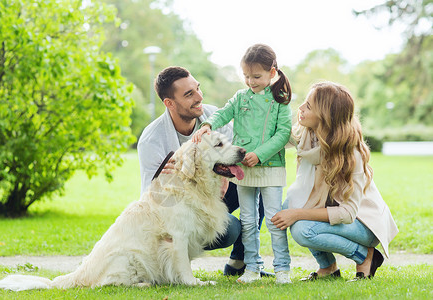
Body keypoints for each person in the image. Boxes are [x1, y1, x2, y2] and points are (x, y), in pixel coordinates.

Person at [137, 66, 270, 277]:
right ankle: (179, 261)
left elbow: (232, 154)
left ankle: (239, 262)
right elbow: (153, 199)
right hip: (182, 206)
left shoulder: (212, 115)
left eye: (197, 88)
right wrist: (169, 177)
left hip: (215, 189)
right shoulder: (152, 139)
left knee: (259, 187)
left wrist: (223, 177)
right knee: (230, 230)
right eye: (189, 94)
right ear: (169, 103)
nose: (199, 97)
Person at [271, 81, 398, 281]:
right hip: (333, 209)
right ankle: (328, 267)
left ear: (326, 117)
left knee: (302, 229)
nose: (301, 109)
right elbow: (275, 137)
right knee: (291, 205)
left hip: (363, 223)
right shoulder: (308, 134)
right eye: (304, 102)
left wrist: (297, 213)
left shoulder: (350, 153)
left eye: (309, 106)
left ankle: (365, 256)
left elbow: (348, 213)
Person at [193, 44, 293, 284]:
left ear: (272, 72)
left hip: (270, 168)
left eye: (256, 76)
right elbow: (223, 113)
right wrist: (208, 124)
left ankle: (282, 269)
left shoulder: (280, 101)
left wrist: (259, 154)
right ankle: (252, 267)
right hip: (245, 171)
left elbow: (282, 134)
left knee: (273, 220)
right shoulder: (240, 97)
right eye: (246, 76)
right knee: (248, 221)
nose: (250, 81)